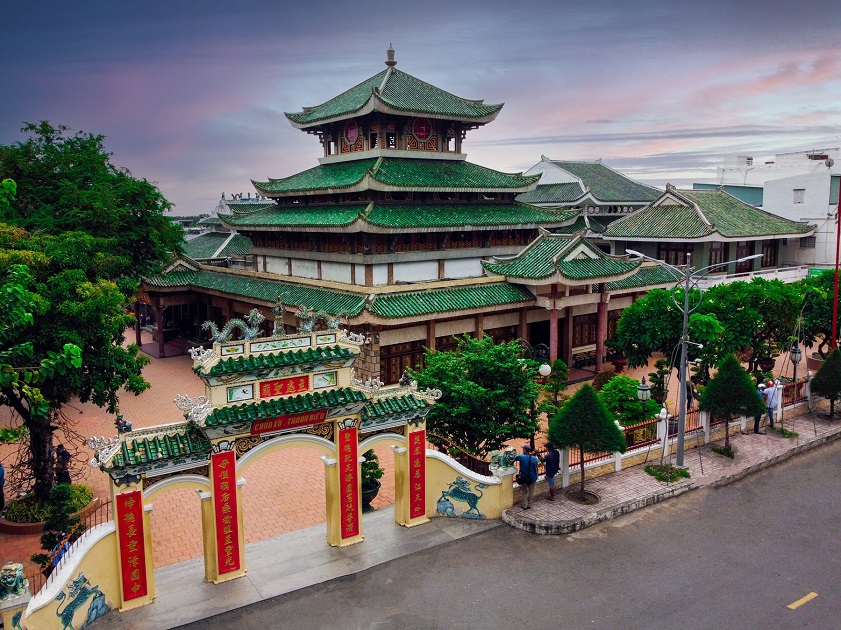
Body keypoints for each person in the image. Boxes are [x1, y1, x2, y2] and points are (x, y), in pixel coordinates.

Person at [514, 445, 538, 510]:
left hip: (524, 478)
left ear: (524, 450)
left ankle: (525, 505)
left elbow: (514, 458)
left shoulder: (521, 457)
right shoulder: (533, 458)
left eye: (523, 449)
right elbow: (536, 468)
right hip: (533, 477)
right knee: (531, 491)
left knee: (524, 491)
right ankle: (530, 504)